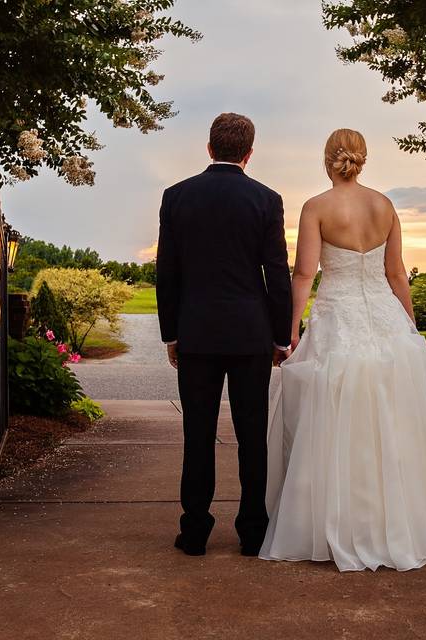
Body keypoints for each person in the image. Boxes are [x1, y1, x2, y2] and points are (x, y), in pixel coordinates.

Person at [260, 128, 426, 571]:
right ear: (362, 159)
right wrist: (409, 326)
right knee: (398, 417)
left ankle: (340, 521)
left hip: (338, 320)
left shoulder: (316, 207)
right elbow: (396, 275)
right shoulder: (385, 206)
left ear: (327, 158)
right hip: (385, 320)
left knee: (335, 413)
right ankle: (412, 521)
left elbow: (303, 275)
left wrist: (291, 330)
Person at [156, 112, 292, 557]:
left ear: (210, 147)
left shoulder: (176, 197)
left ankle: (194, 531)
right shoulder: (266, 200)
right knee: (253, 436)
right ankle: (253, 532)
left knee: (197, 434)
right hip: (251, 334)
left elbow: (167, 273)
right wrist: (279, 338)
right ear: (249, 154)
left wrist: (171, 335)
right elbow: (277, 273)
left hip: (196, 333)